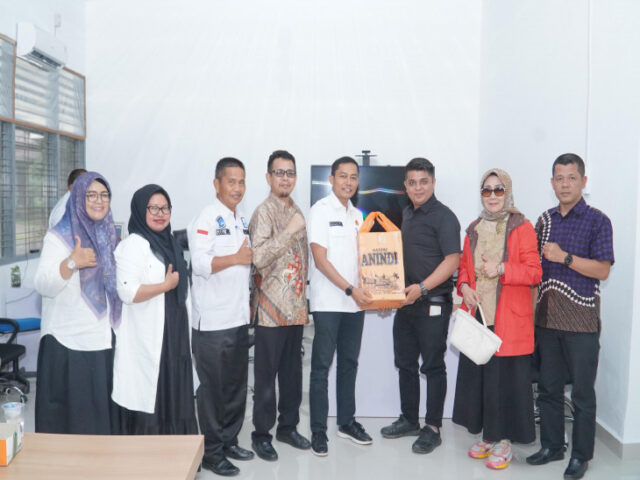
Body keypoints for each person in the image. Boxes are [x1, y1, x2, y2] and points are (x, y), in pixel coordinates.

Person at [526, 154, 614, 480]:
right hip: (546, 322)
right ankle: (552, 446)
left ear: (583, 182)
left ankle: (580, 456)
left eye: (571, 178)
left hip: (582, 324)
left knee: (581, 395)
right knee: (548, 389)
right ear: (552, 183)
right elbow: (534, 274)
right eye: (559, 178)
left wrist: (564, 257)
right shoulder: (544, 221)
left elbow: (602, 269)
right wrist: (530, 318)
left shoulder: (598, 221)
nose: (565, 184)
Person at [452, 169, 542, 469]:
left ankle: (504, 442)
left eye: (498, 190)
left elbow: (534, 272)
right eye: (487, 190)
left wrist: (502, 269)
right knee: (483, 381)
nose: (492, 196)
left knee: (506, 382)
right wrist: (465, 287)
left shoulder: (522, 227)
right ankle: (489, 436)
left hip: (509, 319)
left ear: (508, 192)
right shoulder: (473, 228)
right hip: (479, 316)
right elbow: (464, 269)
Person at [380, 157, 460, 454]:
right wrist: (387, 293)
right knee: (405, 363)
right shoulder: (406, 214)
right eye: (412, 182)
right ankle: (410, 420)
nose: (418, 187)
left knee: (433, 366)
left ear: (433, 183)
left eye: (423, 182)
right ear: (405, 186)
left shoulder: (445, 217)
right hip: (406, 302)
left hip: (433, 302)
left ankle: (433, 427)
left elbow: (453, 260)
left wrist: (423, 288)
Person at [34, 171, 120, 434]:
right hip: (68, 344)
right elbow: (43, 284)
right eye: (91, 195)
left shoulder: (109, 236)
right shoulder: (59, 236)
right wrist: (71, 262)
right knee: (74, 427)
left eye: (104, 195)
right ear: (78, 197)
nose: (99, 201)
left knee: (100, 426)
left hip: (101, 341)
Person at [112, 184, 198, 437]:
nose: (160, 214)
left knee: (176, 393)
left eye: (165, 208)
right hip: (149, 337)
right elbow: (127, 292)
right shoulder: (134, 245)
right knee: (153, 396)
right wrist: (164, 286)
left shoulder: (171, 244)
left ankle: (179, 454)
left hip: (175, 332)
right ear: (141, 210)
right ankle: (152, 456)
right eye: (153, 208)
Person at [188, 158, 254, 476]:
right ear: (217, 184)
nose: (237, 188)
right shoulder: (206, 218)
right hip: (212, 323)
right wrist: (236, 257)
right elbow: (200, 263)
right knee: (213, 391)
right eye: (231, 181)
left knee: (236, 388)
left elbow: (245, 268)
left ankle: (229, 441)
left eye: (241, 182)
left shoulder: (241, 220)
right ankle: (212, 453)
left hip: (238, 318)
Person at [307, 156, 373, 456]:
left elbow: (365, 260)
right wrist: (350, 289)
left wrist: (376, 291)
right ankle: (318, 431)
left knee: (349, 364)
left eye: (353, 177)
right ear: (331, 179)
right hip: (329, 302)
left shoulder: (358, 216)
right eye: (343, 176)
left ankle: (346, 422)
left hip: (355, 304)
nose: (348, 182)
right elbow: (320, 261)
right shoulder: (320, 211)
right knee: (321, 367)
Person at [249, 150, 311, 461]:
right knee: (265, 378)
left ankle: (288, 427)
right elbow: (258, 258)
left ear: (295, 177)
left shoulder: (296, 209)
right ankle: (261, 434)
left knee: (292, 375)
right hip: (271, 310)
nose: (285, 178)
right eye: (279, 172)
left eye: (290, 173)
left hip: (295, 309)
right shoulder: (264, 212)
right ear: (268, 177)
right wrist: (289, 231)